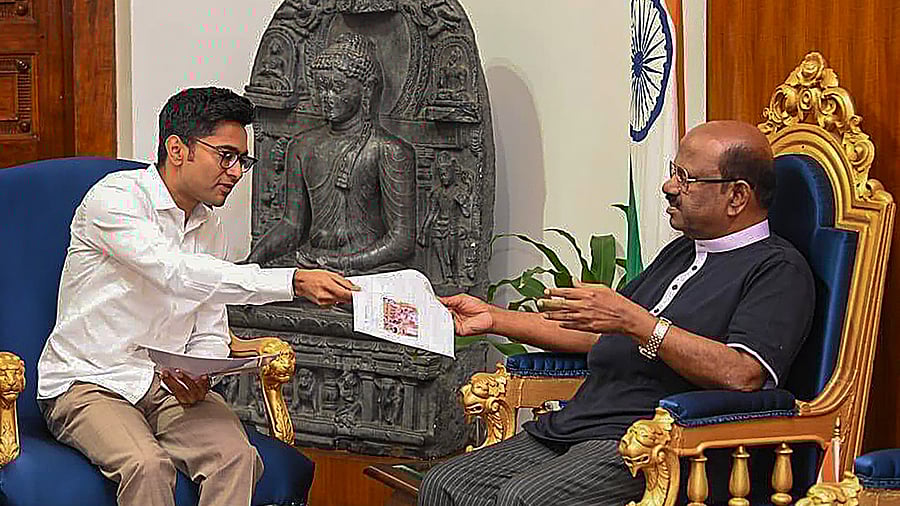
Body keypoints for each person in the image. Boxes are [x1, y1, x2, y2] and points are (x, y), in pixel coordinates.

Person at [419, 120, 816, 506]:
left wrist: (638, 322)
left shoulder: (778, 269)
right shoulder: (682, 252)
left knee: (523, 499)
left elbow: (743, 373)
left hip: (654, 445)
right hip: (580, 425)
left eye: (686, 178)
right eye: (673, 171)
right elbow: (600, 333)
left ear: (737, 196)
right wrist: (492, 318)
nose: (669, 187)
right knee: (446, 484)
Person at [36, 87, 357, 506]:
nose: (237, 171)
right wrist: (291, 282)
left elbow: (209, 325)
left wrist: (199, 374)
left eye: (243, 159)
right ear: (177, 148)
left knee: (237, 456)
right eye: (226, 155)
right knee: (147, 466)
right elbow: (175, 274)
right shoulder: (114, 199)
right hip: (90, 380)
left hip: (168, 384)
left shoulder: (210, 228)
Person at [246, 33, 417, 275]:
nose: (327, 98)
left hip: (368, 271)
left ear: (366, 89)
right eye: (321, 88)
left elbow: (402, 240)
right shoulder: (301, 146)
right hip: (314, 264)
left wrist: (345, 263)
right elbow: (292, 225)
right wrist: (253, 262)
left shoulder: (388, 151)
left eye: (337, 88)